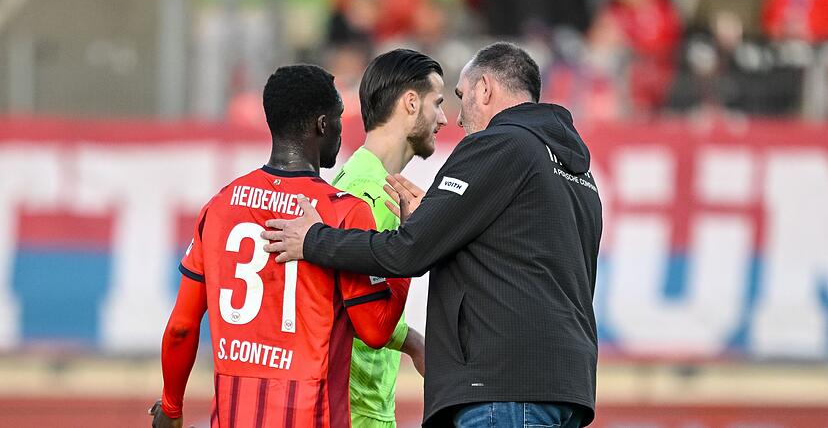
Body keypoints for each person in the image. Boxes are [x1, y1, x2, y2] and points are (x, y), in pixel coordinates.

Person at [262, 43, 603, 427]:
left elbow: (407, 254)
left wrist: (312, 240)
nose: (453, 119)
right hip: (566, 386)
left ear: (485, 89)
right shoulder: (577, 173)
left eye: (457, 97)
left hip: (500, 387)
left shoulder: (498, 144)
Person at [149, 65, 410, 428]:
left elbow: (181, 326)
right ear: (322, 124)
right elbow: (376, 330)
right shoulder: (346, 211)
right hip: (314, 417)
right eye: (337, 119)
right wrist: (404, 247)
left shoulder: (220, 206)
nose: (340, 129)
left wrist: (171, 406)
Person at [334, 48, 446, 428]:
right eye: (438, 103)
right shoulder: (372, 195)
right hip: (359, 410)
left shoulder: (352, 182)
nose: (443, 119)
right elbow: (366, 313)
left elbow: (352, 295)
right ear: (411, 103)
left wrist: (413, 343)